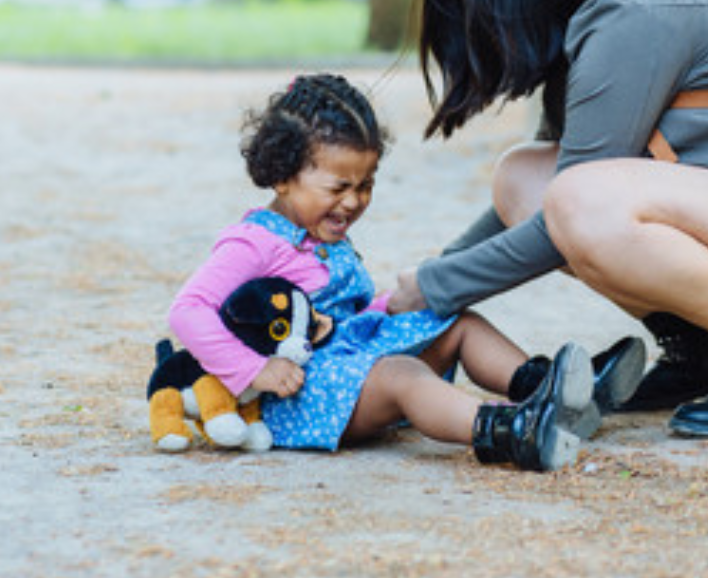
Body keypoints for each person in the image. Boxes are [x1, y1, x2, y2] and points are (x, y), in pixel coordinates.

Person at [168, 73, 640, 471]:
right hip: (301, 397)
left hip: (348, 365)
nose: (353, 202)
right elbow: (187, 311)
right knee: (403, 374)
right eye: (339, 186)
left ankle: (552, 391)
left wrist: (386, 310)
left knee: (456, 321)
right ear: (282, 176)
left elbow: (338, 316)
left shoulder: (316, 232)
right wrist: (256, 369)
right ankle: (510, 430)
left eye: (366, 185)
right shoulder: (254, 242)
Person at [389, 0, 708, 437]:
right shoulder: (592, 25)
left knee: (581, 201)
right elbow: (544, 201)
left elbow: (568, 217)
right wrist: (426, 284)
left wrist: (436, 287)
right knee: (523, 178)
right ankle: (703, 351)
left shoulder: (635, 14)